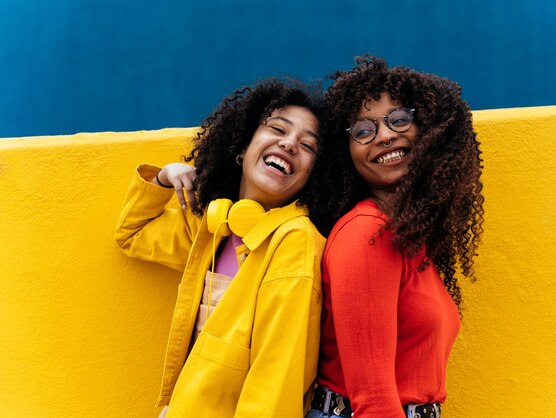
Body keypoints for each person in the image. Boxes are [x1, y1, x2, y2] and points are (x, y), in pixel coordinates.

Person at [115, 79, 340, 417]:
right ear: (243, 144)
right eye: (278, 128)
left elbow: (275, 383)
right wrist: (164, 178)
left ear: (314, 176)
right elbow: (131, 234)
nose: (290, 143)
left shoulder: (295, 241)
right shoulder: (214, 224)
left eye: (308, 146)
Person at [308, 56, 485, 418]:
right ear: (348, 153)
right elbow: (373, 400)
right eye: (363, 130)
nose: (385, 135)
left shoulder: (408, 235)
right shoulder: (367, 234)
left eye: (400, 119)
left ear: (431, 129)